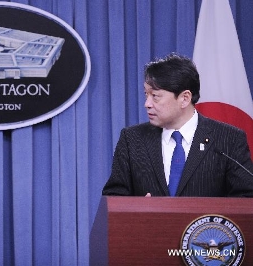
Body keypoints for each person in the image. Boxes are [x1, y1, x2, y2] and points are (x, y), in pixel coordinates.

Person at [102, 53, 253, 197]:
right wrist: (137, 209)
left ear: (185, 98)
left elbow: (245, 200)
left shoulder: (228, 140)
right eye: (146, 95)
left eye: (155, 96)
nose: (147, 104)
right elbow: (113, 198)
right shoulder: (132, 140)